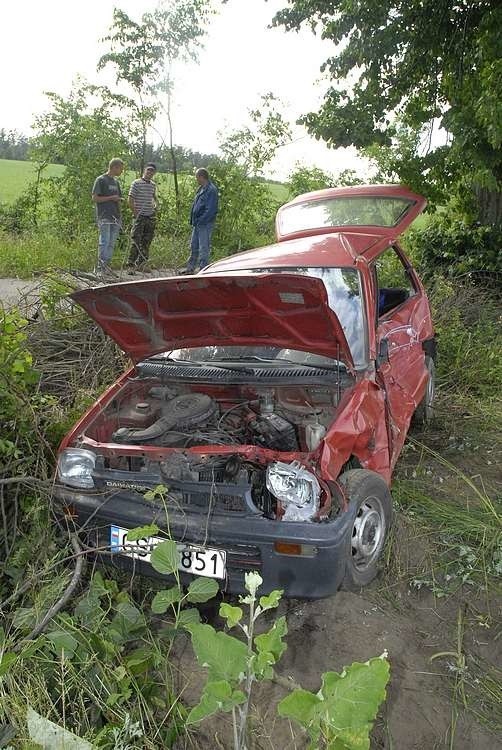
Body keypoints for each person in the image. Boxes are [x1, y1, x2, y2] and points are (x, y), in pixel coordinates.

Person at [181, 167, 219, 274]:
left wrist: (201, 220)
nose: (196, 179)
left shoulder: (211, 190)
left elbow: (211, 210)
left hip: (205, 224)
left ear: (202, 177)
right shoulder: (201, 188)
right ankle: (190, 268)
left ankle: (203, 269)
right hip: (197, 223)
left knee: (204, 247)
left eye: (197, 177)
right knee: (194, 246)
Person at [91, 158, 124, 274]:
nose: (121, 171)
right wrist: (110, 198)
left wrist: (120, 216)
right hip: (104, 216)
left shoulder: (116, 182)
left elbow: (118, 200)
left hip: (115, 217)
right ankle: (100, 267)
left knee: (111, 242)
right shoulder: (101, 180)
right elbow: (95, 198)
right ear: (114, 167)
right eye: (120, 168)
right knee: (104, 241)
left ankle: (106, 266)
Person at [127, 163, 157, 271]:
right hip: (139, 217)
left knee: (146, 241)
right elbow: (130, 199)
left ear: (154, 173)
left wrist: (155, 206)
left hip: (150, 216)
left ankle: (142, 264)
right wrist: (135, 213)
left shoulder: (153, 185)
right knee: (135, 240)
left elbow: (153, 198)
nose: (150, 172)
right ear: (144, 170)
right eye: (148, 170)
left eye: (152, 171)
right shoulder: (136, 183)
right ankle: (130, 264)